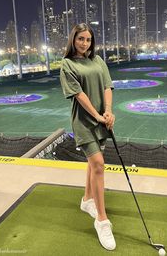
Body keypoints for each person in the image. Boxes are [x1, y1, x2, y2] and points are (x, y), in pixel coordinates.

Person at [60, 23, 116, 251]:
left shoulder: (98, 60)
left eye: (88, 40)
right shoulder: (67, 64)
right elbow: (80, 95)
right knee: (99, 165)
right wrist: (98, 116)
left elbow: (107, 86)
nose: (85, 43)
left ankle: (87, 200)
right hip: (84, 122)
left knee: (93, 163)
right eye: (81, 39)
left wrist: (109, 111)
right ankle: (102, 220)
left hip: (102, 117)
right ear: (73, 39)